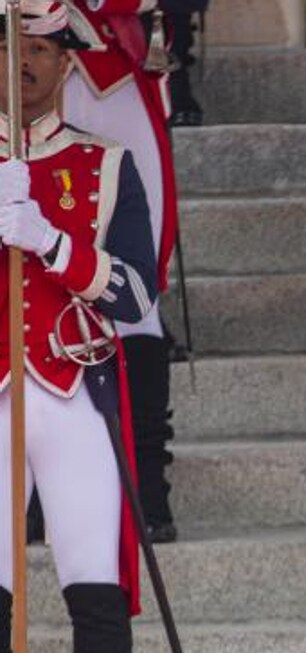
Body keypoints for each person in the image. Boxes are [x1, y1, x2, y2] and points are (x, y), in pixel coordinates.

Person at [0, 0, 158, 653]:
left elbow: (137, 294)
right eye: (10, 45)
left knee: (94, 584)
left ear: (67, 65)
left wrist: (52, 243)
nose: (22, 59)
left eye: (39, 48)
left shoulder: (107, 166)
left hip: (70, 388)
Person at [62, 0, 179, 542]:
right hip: (32, 79)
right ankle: (38, 494)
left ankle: (148, 487)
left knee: (135, 292)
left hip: (119, 81)